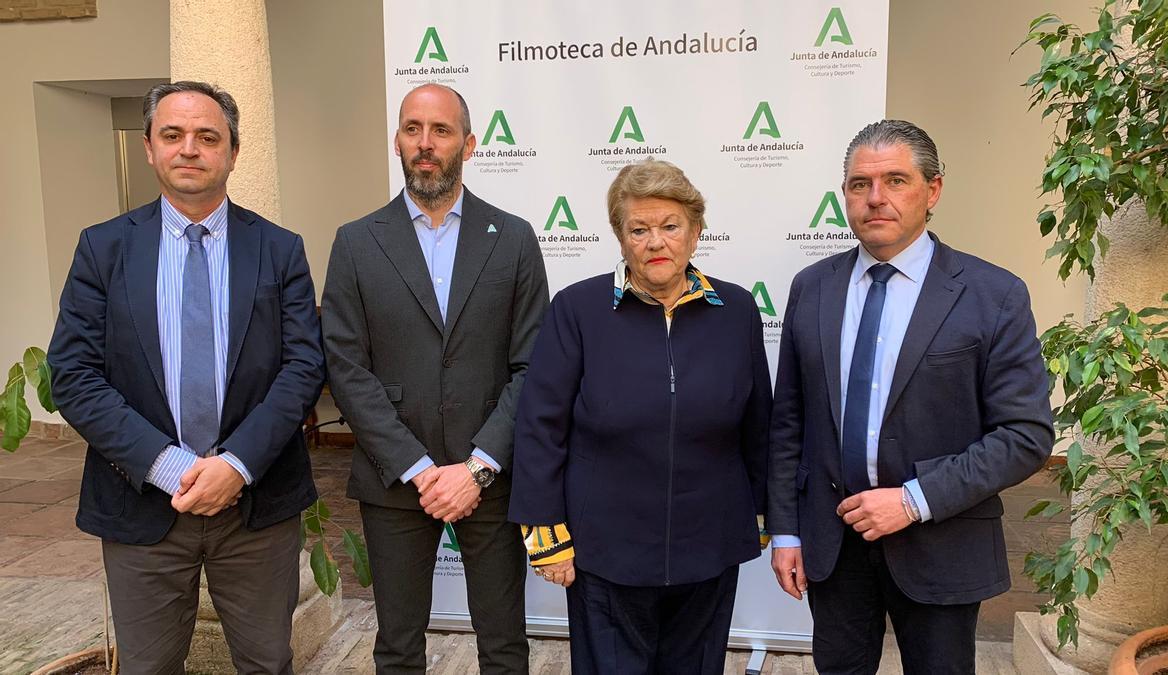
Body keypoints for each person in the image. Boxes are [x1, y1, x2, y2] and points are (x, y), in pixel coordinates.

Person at [47, 81, 325, 674]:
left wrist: (236, 465)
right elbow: (73, 375)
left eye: (207, 136)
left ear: (232, 151)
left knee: (268, 662)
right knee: (147, 667)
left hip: (256, 504)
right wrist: (169, 465)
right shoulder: (103, 249)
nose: (189, 149)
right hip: (142, 500)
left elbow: (304, 367)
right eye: (172, 135)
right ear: (149, 148)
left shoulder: (279, 250)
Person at [766, 119, 1053, 673]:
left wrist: (912, 500)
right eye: (859, 184)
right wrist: (785, 530)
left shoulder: (993, 295)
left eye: (895, 180)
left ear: (934, 190)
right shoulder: (813, 287)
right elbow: (789, 422)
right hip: (834, 544)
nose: (875, 198)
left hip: (939, 540)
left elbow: (1026, 435)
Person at [509, 158, 772, 675]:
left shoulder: (738, 310)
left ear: (696, 233)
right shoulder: (577, 308)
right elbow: (541, 424)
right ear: (620, 236)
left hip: (708, 547)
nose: (656, 242)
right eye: (640, 229)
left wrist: (765, 517)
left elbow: (758, 424)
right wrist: (546, 535)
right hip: (604, 552)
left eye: (670, 226)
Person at [321, 83, 548, 675]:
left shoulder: (515, 238)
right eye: (413, 129)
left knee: (504, 643)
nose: (426, 144)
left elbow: (533, 366)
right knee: (397, 646)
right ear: (398, 140)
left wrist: (476, 469)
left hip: (491, 480)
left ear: (469, 144)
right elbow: (346, 367)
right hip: (394, 479)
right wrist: (421, 471)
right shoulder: (356, 241)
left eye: (441, 130)